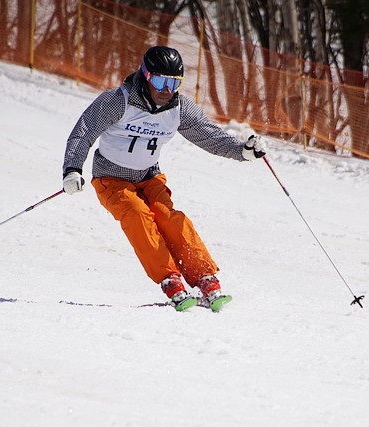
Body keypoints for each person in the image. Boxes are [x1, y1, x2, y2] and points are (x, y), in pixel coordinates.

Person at [62, 46, 267, 311]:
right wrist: (72, 169)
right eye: (160, 81)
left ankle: (204, 277)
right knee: (137, 214)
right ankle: (170, 278)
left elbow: (210, 135)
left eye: (174, 83)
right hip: (111, 179)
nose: (166, 89)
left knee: (168, 217)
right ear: (146, 76)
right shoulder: (118, 100)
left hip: (149, 177)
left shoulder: (179, 108)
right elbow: (84, 131)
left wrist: (242, 151)